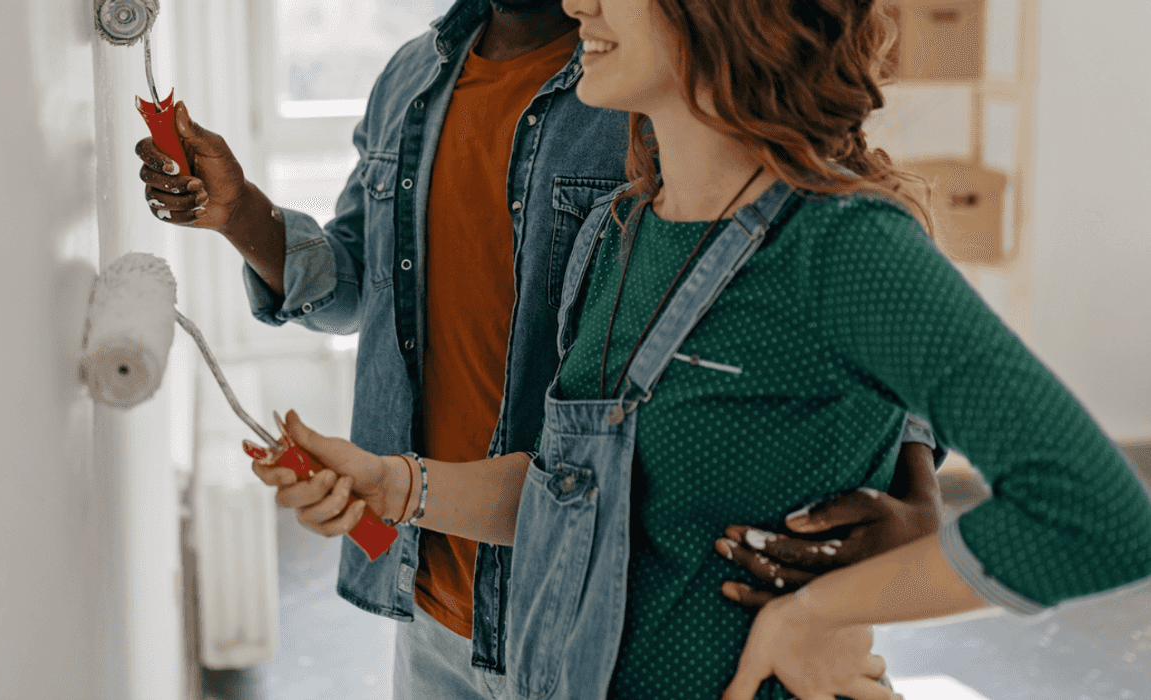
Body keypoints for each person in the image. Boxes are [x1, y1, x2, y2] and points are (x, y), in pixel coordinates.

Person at [245, 0, 1151, 698]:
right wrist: (393, 484)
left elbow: (1099, 518)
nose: (581, 2)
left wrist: (821, 610)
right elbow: (577, 491)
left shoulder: (842, 246)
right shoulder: (618, 230)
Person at [136, 0, 948, 697]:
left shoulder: (645, 75)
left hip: (594, 599)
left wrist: (917, 496)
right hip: (430, 583)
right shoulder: (411, 80)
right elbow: (356, 283)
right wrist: (242, 213)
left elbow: (828, 269)